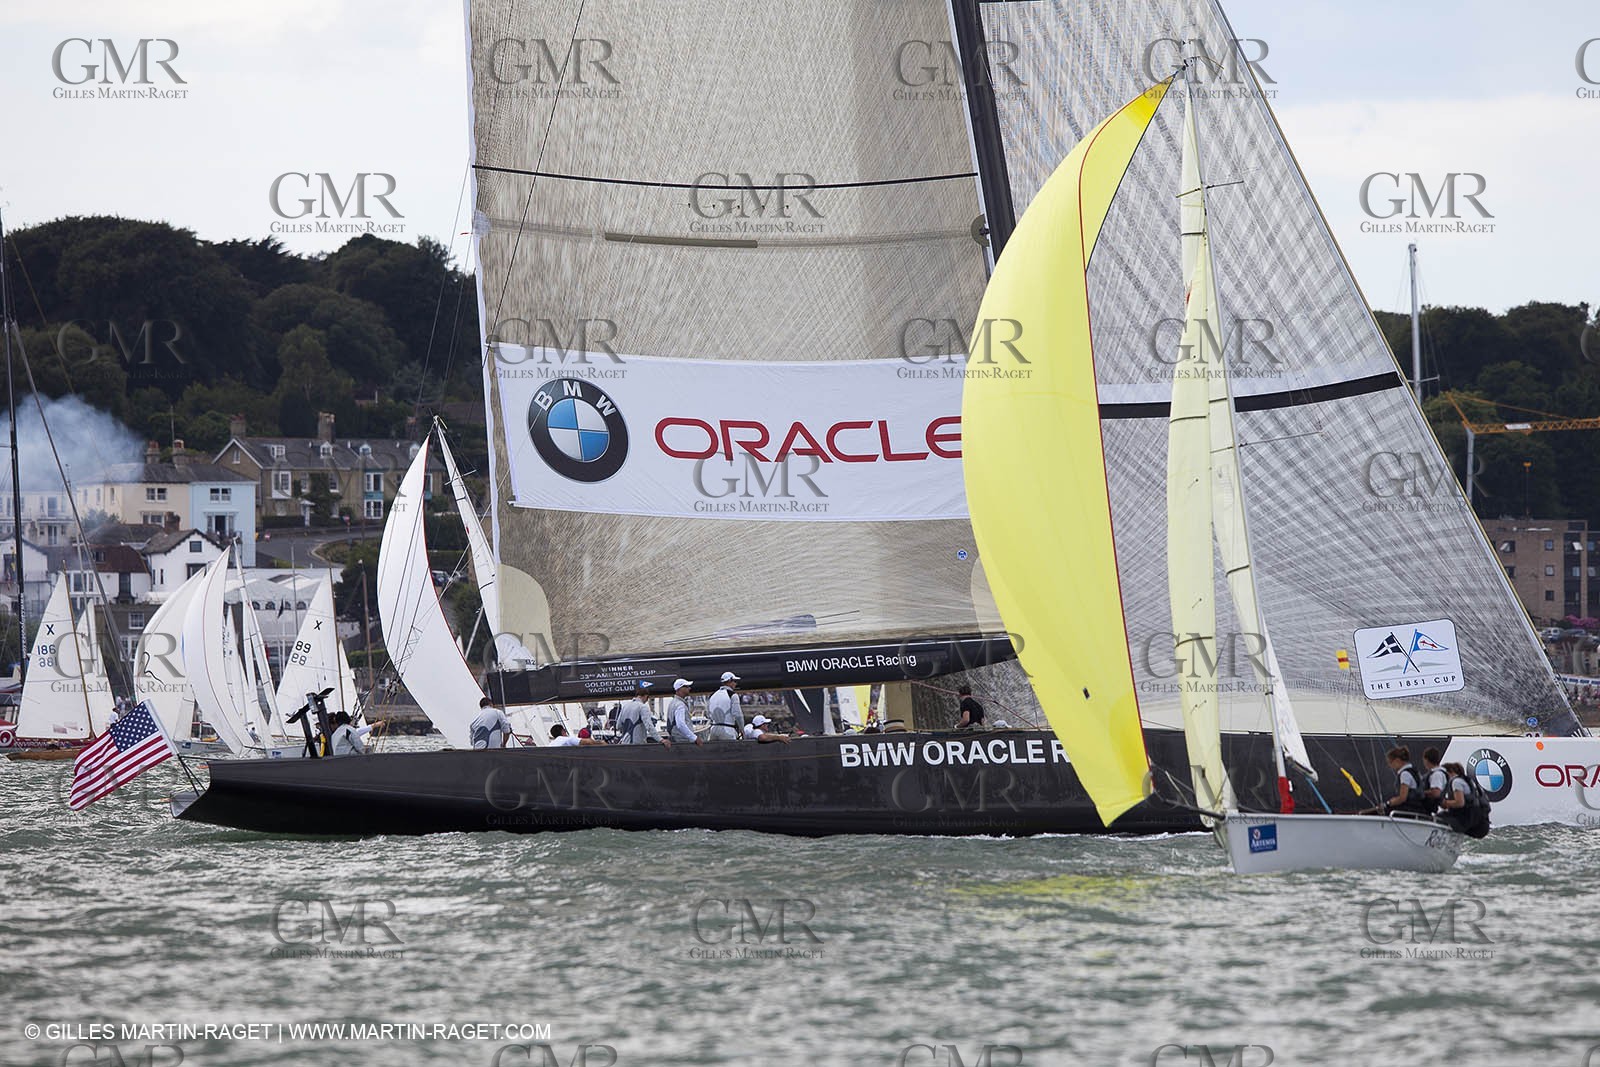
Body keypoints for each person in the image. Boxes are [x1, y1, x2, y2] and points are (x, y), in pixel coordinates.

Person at [1368, 745, 1429, 815]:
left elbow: (1402, 798)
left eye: (1390, 762)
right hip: (1418, 806)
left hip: (1409, 808)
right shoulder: (1414, 772)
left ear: (1397, 761)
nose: (1389, 766)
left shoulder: (1405, 774)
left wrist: (1389, 803)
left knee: (1373, 812)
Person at [1438, 761, 1493, 838]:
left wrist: (1445, 802)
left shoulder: (1456, 782)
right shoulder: (1470, 781)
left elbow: (1460, 803)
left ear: (1449, 772)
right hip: (1480, 823)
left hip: (1465, 820)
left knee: (1439, 817)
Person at [616, 681, 669, 746]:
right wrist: (661, 740)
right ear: (646, 696)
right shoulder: (642, 707)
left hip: (625, 743)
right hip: (637, 745)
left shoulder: (625, 706)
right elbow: (649, 726)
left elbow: (618, 726)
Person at [706, 671, 745, 742]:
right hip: (728, 730)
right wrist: (742, 730)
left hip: (713, 729)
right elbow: (738, 715)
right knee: (731, 752)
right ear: (729, 681)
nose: (736, 684)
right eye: (735, 681)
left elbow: (708, 713)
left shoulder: (712, 695)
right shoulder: (733, 695)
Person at [666, 679, 701, 745]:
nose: (689, 688)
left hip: (675, 739)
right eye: (687, 686)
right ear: (680, 689)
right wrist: (694, 738)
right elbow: (680, 724)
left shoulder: (672, 702)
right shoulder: (680, 705)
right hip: (682, 741)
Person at [1420, 747, 1447, 815]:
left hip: (1427, 809)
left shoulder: (1437, 774)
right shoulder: (1436, 773)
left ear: (1426, 760)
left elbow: (1436, 793)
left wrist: (1419, 792)